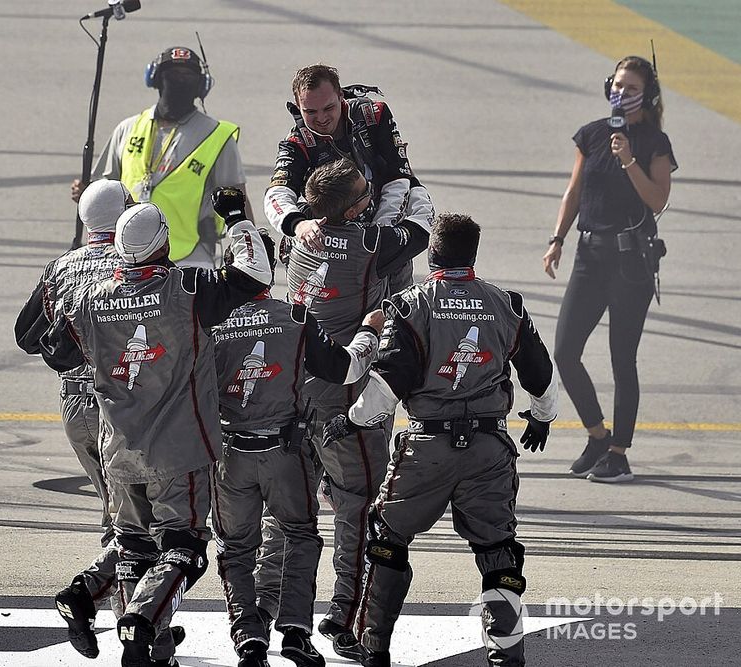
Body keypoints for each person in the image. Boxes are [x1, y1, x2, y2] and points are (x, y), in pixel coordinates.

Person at [39, 189, 272, 667]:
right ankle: (141, 624)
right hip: (179, 447)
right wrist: (235, 220)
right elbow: (255, 275)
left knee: (133, 544)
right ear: (164, 244)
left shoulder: (87, 298)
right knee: (185, 547)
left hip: (117, 445)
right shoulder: (186, 288)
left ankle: (83, 596)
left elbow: (52, 351)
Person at [324, 212, 559, 667]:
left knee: (388, 539)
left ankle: (375, 650)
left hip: (425, 448)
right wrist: (542, 418)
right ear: (473, 253)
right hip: (490, 449)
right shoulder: (506, 304)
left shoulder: (410, 306)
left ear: (432, 253)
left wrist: (351, 421)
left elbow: (387, 387)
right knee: (499, 552)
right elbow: (542, 377)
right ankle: (505, 655)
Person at [210, 228, 384, 667]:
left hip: (229, 456)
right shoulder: (295, 316)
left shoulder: (206, 323)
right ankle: (294, 632)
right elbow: (346, 369)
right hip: (284, 454)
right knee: (302, 535)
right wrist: (368, 331)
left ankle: (248, 638)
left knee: (235, 549)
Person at [281, 158, 428, 659]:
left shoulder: (296, 239)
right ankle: (347, 616)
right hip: (348, 396)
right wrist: (405, 181)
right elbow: (419, 232)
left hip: (296, 390)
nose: (370, 196)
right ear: (353, 206)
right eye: (364, 193)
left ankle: (277, 616)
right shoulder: (369, 247)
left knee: (292, 516)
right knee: (359, 507)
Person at [544, 55, 675, 484]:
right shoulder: (593, 134)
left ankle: (619, 452)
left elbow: (658, 200)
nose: (621, 93)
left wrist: (629, 159)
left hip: (630, 263)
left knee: (623, 358)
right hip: (588, 255)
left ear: (646, 94)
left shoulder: (655, 142)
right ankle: (597, 434)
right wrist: (557, 239)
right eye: (617, 84)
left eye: (631, 87)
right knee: (564, 351)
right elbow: (574, 191)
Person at [15, 178, 132, 545]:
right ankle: (124, 595)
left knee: (113, 508)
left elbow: (25, 336)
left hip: (75, 406)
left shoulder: (59, 268)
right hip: (122, 406)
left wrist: (67, 347)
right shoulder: (134, 263)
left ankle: (120, 591)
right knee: (130, 519)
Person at [71, 46, 252, 268]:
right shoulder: (127, 129)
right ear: (155, 79)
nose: (179, 81)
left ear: (200, 86)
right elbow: (104, 188)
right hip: (127, 253)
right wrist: (86, 193)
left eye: (187, 76)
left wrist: (250, 253)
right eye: (172, 75)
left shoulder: (217, 136)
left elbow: (238, 198)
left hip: (189, 255)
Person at [263, 63, 434, 291]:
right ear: (298, 107)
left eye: (328, 108)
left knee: (396, 310)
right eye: (310, 112)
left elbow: (400, 176)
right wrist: (300, 225)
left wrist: (378, 235)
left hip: (383, 235)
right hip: (331, 249)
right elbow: (276, 194)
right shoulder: (296, 142)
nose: (321, 118)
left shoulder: (374, 115)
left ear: (341, 96)